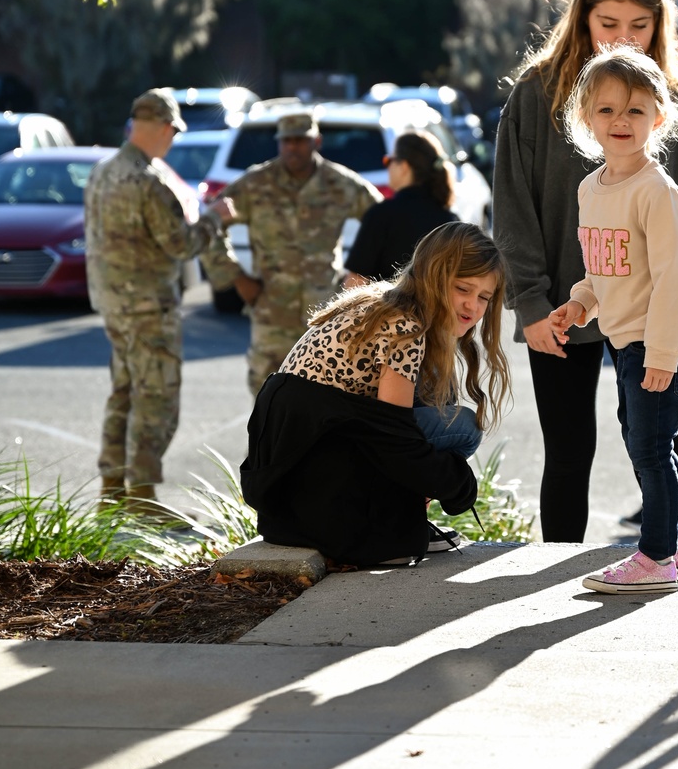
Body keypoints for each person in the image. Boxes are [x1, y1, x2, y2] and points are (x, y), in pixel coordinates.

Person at [492, 0, 678, 542]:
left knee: (657, 440)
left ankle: (670, 555)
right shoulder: (537, 94)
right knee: (568, 453)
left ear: (658, 24)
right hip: (564, 307)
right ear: (583, 16)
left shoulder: (673, 98)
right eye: (608, 23)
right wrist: (532, 303)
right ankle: (556, 578)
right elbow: (512, 209)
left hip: (648, 308)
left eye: (640, 25)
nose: (623, 39)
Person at [240, 223, 511, 567]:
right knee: (464, 426)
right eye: (463, 289)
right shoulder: (406, 325)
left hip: (291, 454)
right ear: (434, 277)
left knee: (434, 409)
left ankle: (402, 519)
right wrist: (458, 485)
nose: (473, 305)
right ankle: (400, 523)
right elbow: (393, 437)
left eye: (484, 297)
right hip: (317, 452)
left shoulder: (380, 300)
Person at [547, 47, 678, 594]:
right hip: (626, 337)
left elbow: (674, 280)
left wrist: (662, 355)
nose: (621, 121)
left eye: (636, 111)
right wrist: (579, 304)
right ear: (585, 117)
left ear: (658, 118)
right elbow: (602, 270)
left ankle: (655, 558)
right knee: (646, 437)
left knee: (650, 447)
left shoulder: (658, 193)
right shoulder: (592, 189)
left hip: (662, 337)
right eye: (608, 110)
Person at [85, 87, 239, 514]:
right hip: (150, 305)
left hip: (113, 301)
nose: (174, 138)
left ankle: (112, 492)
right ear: (158, 126)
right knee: (156, 400)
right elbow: (181, 244)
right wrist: (216, 217)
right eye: (173, 130)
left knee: (124, 392)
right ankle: (143, 500)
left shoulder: (102, 170)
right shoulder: (149, 180)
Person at [217, 110, 383, 395]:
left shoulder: (341, 184)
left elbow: (383, 224)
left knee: (323, 394)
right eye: (286, 141)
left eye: (300, 140)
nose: (292, 147)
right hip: (271, 310)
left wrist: (362, 277)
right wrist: (234, 276)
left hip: (324, 312)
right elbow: (211, 225)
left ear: (316, 141)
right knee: (265, 393)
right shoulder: (255, 184)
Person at [344, 129, 460, 285]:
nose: (387, 167)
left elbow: (355, 282)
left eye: (389, 160)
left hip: (387, 309)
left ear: (404, 166)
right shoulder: (451, 222)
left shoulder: (381, 215)